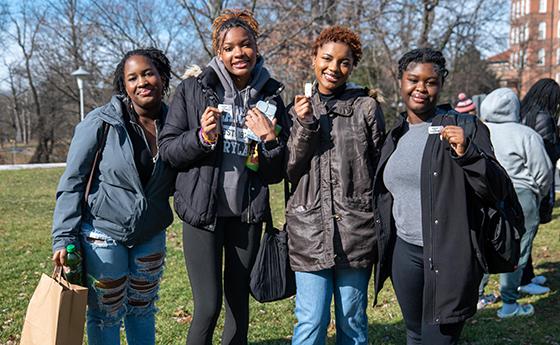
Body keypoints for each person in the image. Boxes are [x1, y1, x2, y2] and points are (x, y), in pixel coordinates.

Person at [158, 9, 288, 345]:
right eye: (229, 48)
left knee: (238, 303)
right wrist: (201, 138)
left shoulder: (272, 96)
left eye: (245, 45)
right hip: (203, 214)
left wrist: (269, 138)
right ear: (219, 52)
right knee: (208, 305)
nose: (238, 53)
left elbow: (275, 172)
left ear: (256, 48)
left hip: (246, 216)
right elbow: (169, 149)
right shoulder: (193, 89)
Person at [373, 48, 512, 345]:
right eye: (413, 79)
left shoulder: (465, 127)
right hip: (405, 253)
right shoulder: (396, 134)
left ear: (441, 85)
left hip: (451, 257)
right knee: (414, 334)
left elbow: (498, 189)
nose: (421, 88)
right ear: (400, 81)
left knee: (439, 340)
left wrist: (469, 155)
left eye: (430, 82)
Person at [51, 48, 176, 345]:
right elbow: (73, 181)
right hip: (103, 233)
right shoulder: (102, 121)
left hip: (151, 233)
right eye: (132, 78)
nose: (141, 82)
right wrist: (63, 236)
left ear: (162, 77)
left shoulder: (176, 122)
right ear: (124, 87)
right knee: (105, 315)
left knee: (142, 311)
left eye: (148, 73)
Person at [286, 26, 385, 345]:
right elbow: (289, 168)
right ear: (314, 59)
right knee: (312, 320)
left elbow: (380, 165)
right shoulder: (297, 107)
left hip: (355, 230)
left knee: (352, 320)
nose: (334, 68)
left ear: (352, 66)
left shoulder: (366, 107)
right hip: (308, 230)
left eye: (344, 62)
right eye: (327, 59)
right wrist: (304, 124)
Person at [480, 88, 553, 318]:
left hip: (486, 195)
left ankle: (478, 296)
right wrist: (538, 195)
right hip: (522, 195)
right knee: (517, 249)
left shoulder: (478, 131)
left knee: (484, 246)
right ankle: (509, 304)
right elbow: (544, 171)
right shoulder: (526, 134)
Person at [518, 78, 560, 295]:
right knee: (528, 232)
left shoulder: (523, 111)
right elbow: (548, 153)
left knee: (525, 232)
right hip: (534, 181)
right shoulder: (543, 117)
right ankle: (523, 279)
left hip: (522, 178)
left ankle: (528, 274)